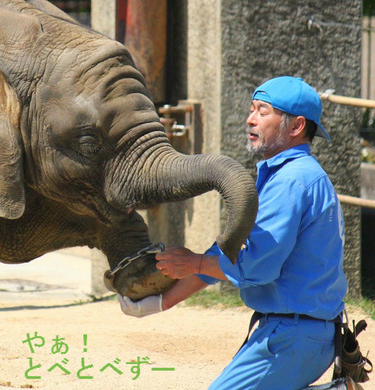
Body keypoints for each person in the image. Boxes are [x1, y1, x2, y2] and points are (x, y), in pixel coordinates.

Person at [118, 76, 348, 390]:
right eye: (252, 109)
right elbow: (228, 256)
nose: (250, 119)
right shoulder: (291, 176)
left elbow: (256, 268)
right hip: (302, 332)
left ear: (296, 126)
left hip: (291, 337)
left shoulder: (290, 182)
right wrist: (163, 301)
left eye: (263, 111)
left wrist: (195, 262)